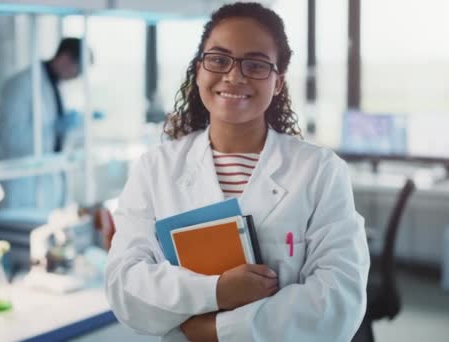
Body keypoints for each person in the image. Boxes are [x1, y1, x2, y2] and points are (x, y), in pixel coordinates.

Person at [104, 3, 370, 341]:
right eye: (218, 59)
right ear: (199, 70)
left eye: (256, 64)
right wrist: (217, 291)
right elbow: (124, 283)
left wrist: (217, 330)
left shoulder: (320, 171)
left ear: (278, 83)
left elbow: (339, 299)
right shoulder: (156, 168)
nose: (234, 75)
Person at [0, 38, 83, 209]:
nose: (76, 77)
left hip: (49, 182)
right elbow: (12, 139)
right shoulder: (21, 84)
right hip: (25, 184)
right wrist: (53, 129)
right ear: (66, 58)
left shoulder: (58, 86)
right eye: (77, 71)